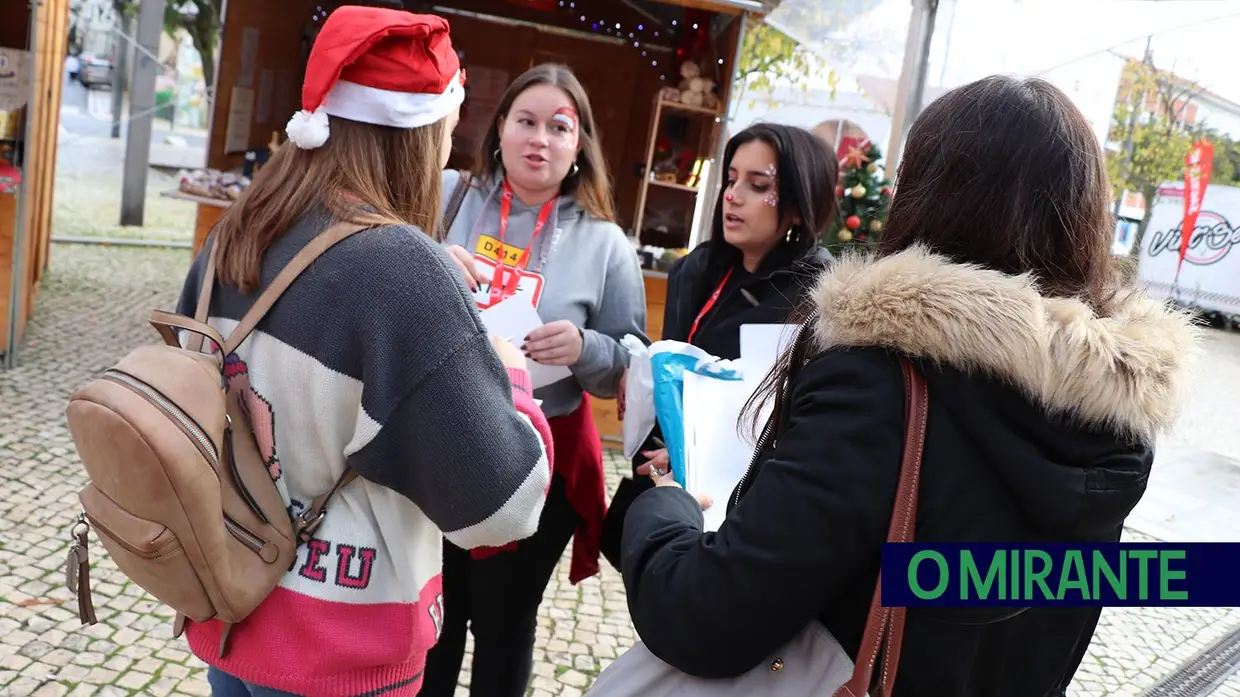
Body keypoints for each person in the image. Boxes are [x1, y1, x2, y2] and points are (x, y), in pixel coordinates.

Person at [620, 76, 1200, 696]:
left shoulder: (879, 381)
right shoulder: (1120, 417)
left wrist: (662, 505)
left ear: (927, 195)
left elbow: (706, 616)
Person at [175, 8, 553, 697]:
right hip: (340, 646)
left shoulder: (241, 229)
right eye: (449, 127)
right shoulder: (404, 275)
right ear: (419, 133)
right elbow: (504, 505)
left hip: (229, 602)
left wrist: (432, 284)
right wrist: (509, 366)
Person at [419, 63, 646, 697]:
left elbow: (631, 360)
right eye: (526, 121)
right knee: (432, 610)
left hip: (538, 458)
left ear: (579, 146)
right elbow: (383, 271)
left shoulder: (607, 245)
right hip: (437, 439)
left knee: (505, 621)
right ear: (499, 132)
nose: (539, 139)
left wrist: (584, 347)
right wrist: (434, 262)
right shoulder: (446, 198)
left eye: (558, 126)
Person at [600, 123, 837, 570]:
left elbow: (786, 421)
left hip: (734, 508)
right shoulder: (695, 270)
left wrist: (700, 444)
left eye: (758, 184)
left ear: (799, 206)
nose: (733, 195)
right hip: (657, 476)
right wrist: (642, 377)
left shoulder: (816, 298)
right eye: (731, 179)